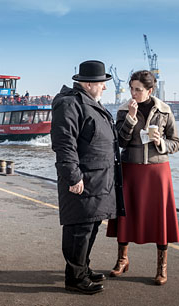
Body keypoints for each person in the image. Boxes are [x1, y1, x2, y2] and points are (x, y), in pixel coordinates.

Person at [50, 60, 124, 295]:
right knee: (78, 229)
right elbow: (64, 144)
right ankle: (74, 278)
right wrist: (73, 177)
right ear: (89, 83)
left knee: (90, 226)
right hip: (83, 179)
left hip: (97, 179)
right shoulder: (70, 104)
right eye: (102, 83)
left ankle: (83, 268)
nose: (104, 88)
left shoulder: (89, 103)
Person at [106, 70, 179, 286]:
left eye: (138, 89)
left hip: (158, 172)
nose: (133, 93)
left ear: (149, 90)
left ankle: (161, 267)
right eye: (131, 89)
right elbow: (120, 141)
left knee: (160, 218)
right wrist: (130, 118)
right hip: (130, 168)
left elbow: (176, 142)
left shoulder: (165, 111)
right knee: (125, 214)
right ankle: (122, 260)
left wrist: (161, 143)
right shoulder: (123, 110)